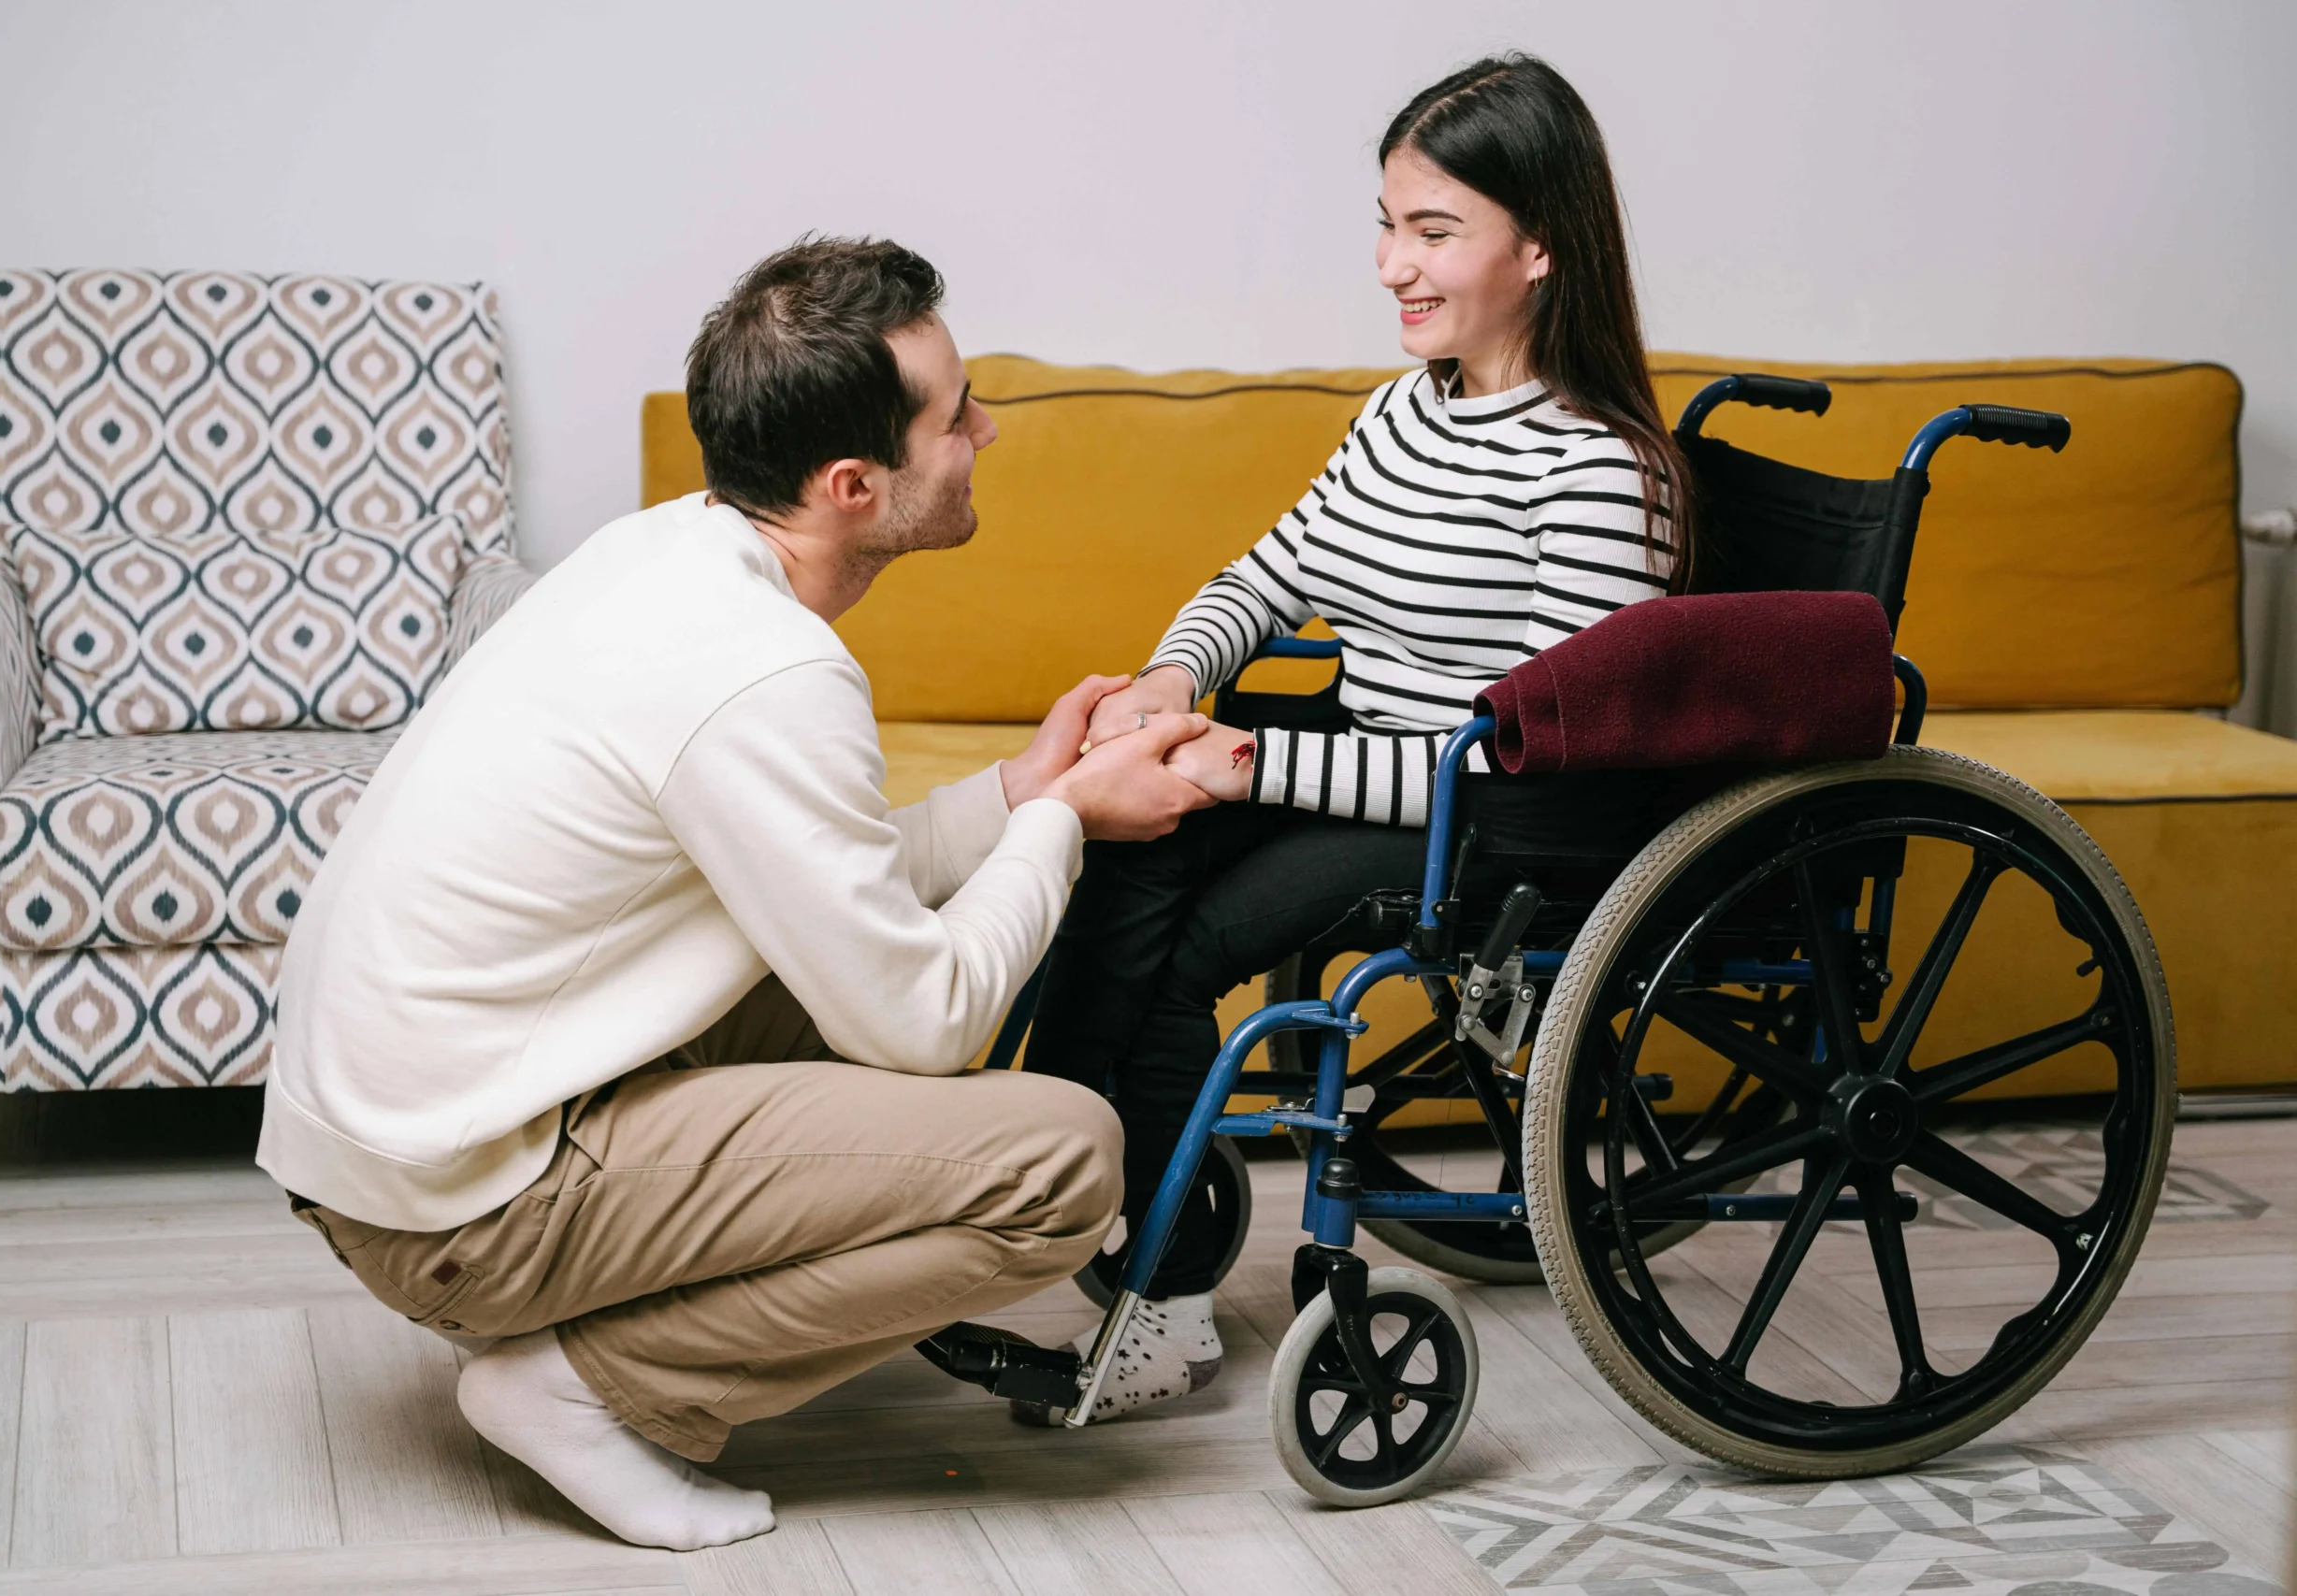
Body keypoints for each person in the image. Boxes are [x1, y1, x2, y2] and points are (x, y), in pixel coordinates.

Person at [257, 237, 1216, 1550]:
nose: (986, 432)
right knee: (1061, 1161)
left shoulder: (665, 556)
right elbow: (927, 1022)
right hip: (459, 1208)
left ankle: (589, 1338)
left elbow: (833, 878)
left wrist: (1019, 789)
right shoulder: (766, 672)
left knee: (880, 971)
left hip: (413, 1139)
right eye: (957, 416)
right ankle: (585, 1385)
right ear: (853, 486)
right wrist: (1063, 823)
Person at [1018, 53, 1697, 1423]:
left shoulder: (1597, 473)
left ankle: (1152, 1300)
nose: (1393, 265)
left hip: (1484, 818)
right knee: (1112, 847)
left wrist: (1251, 764)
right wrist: (1175, 677)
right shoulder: (1405, 410)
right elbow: (1271, 573)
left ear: (1541, 245)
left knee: (1182, 946)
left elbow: (1521, 756)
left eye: (1433, 231)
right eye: (1387, 226)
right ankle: (1056, 1182)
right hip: (1365, 758)